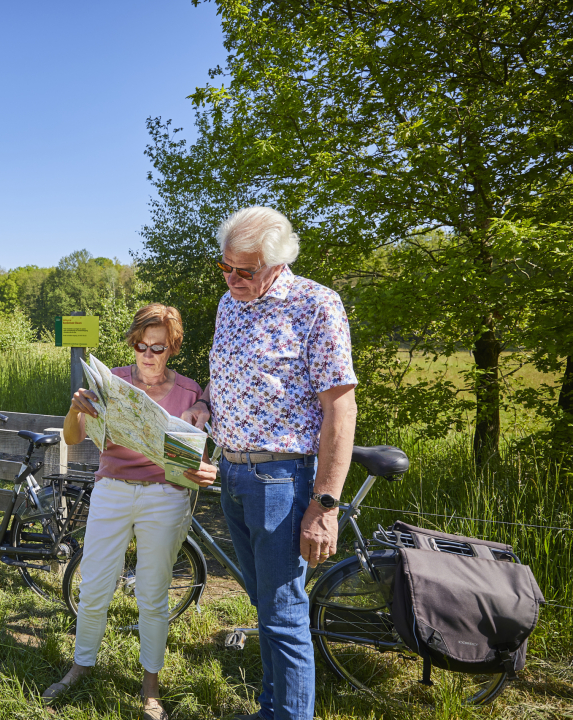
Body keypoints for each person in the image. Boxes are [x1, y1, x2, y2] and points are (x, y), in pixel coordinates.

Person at [181, 206, 358, 720]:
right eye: (226, 267)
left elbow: (340, 408)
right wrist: (205, 404)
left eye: (246, 270)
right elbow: (226, 374)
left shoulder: (316, 304)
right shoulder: (228, 303)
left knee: (283, 614)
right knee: (264, 606)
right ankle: (271, 709)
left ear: (276, 264)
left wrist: (325, 504)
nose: (233, 278)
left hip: (282, 478)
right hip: (232, 473)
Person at [43, 303, 217, 720]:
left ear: (172, 347)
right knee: (95, 585)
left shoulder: (190, 393)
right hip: (112, 491)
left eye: (157, 347)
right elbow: (70, 440)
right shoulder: (112, 382)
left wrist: (204, 471)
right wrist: (74, 409)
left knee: (152, 592)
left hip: (165, 496)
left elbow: (196, 460)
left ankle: (150, 687)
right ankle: (80, 666)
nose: (147, 355)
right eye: (140, 345)